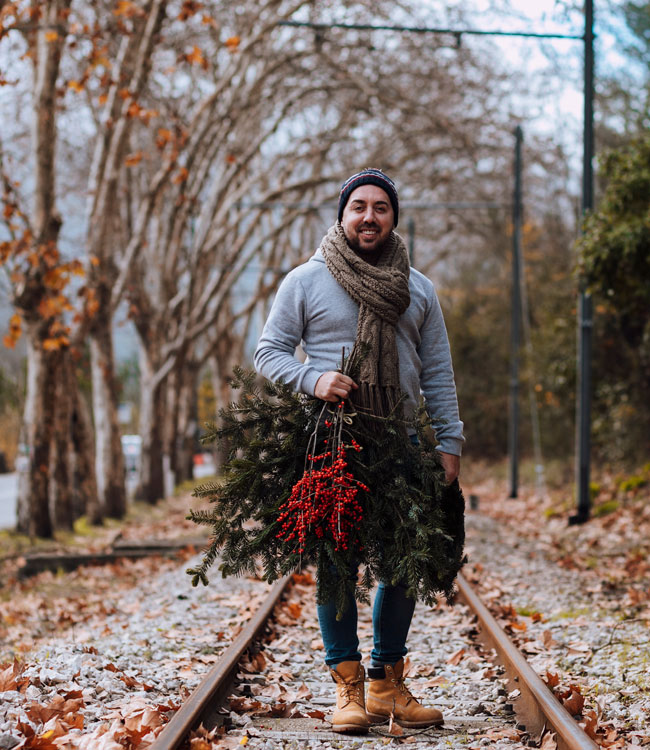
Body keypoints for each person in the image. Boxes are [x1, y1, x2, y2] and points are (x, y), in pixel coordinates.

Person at [253, 168, 464, 734]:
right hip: (334, 442)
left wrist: (449, 442)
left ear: (394, 218)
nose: (369, 216)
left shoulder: (418, 288)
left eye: (381, 208)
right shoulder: (305, 280)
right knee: (338, 563)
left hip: (403, 441)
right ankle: (346, 687)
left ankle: (385, 685)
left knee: (402, 561)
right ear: (342, 215)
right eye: (359, 207)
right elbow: (268, 353)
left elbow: (438, 374)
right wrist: (313, 379)